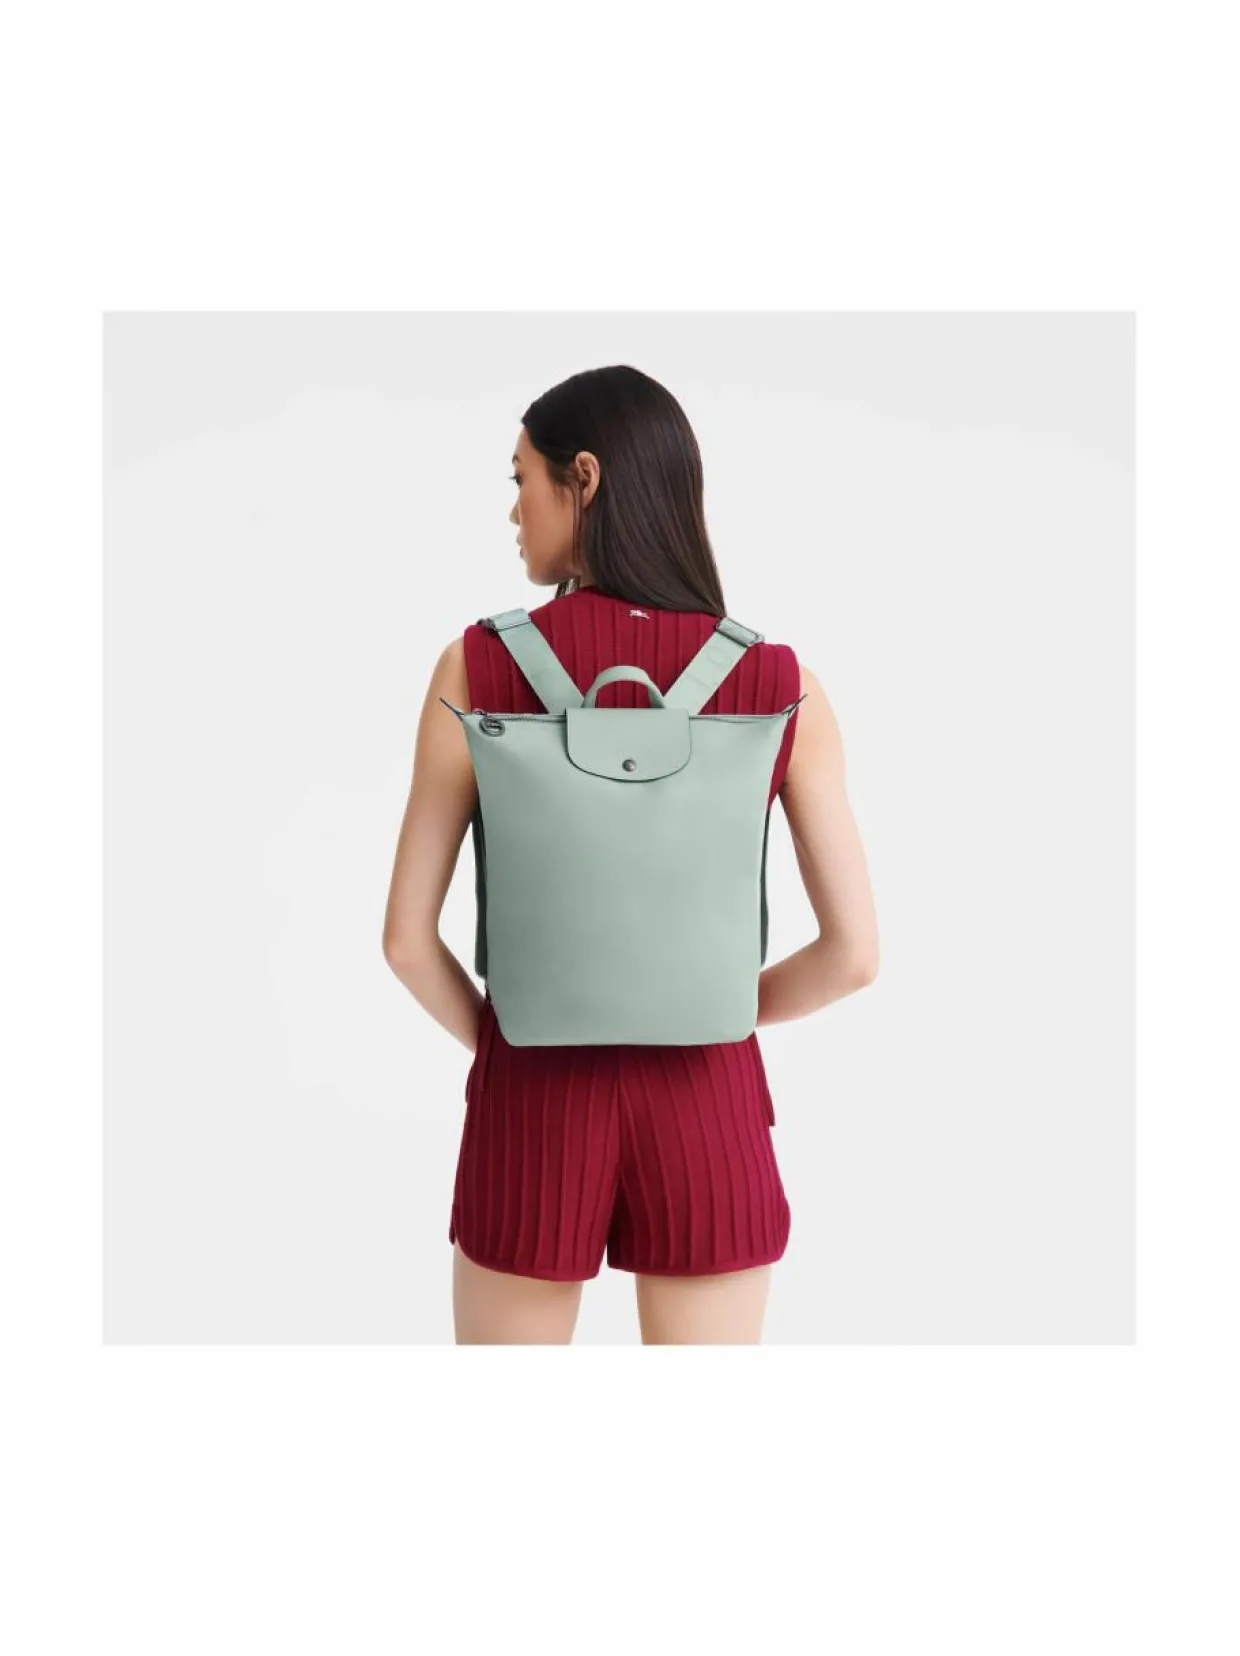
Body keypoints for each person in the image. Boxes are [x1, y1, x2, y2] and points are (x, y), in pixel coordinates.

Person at [382, 365, 879, 1345]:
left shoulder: (473, 667)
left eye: (521, 479)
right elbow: (854, 956)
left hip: (531, 1108)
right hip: (710, 1103)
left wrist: (516, 1039)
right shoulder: (781, 682)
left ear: (585, 477)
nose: (514, 511)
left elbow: (406, 941)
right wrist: (707, 1011)